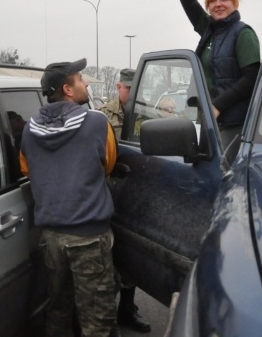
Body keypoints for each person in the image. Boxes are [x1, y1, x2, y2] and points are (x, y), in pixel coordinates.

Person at [19, 58, 119, 337]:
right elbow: (108, 164)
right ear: (68, 89)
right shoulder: (97, 122)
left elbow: (27, 169)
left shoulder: (29, 129)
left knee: (58, 309)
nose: (85, 83)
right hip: (90, 237)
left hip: (51, 238)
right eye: (81, 79)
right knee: (97, 319)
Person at [173, 0, 260, 158]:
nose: (218, 4)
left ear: (235, 4)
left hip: (235, 125)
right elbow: (188, 0)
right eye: (213, 1)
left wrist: (218, 105)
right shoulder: (208, 30)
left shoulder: (243, 33)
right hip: (211, 122)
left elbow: (251, 79)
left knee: (226, 174)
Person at [97, 68, 153, 333]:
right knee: (106, 258)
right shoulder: (102, 115)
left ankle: (127, 310)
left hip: (136, 191)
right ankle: (105, 316)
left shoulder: (148, 115)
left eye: (135, 87)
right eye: (128, 88)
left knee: (132, 255)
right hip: (109, 190)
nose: (131, 93)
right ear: (118, 87)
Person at [97, 68, 134, 140]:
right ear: (119, 87)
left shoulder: (146, 114)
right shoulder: (103, 113)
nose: (134, 92)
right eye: (129, 88)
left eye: (137, 88)